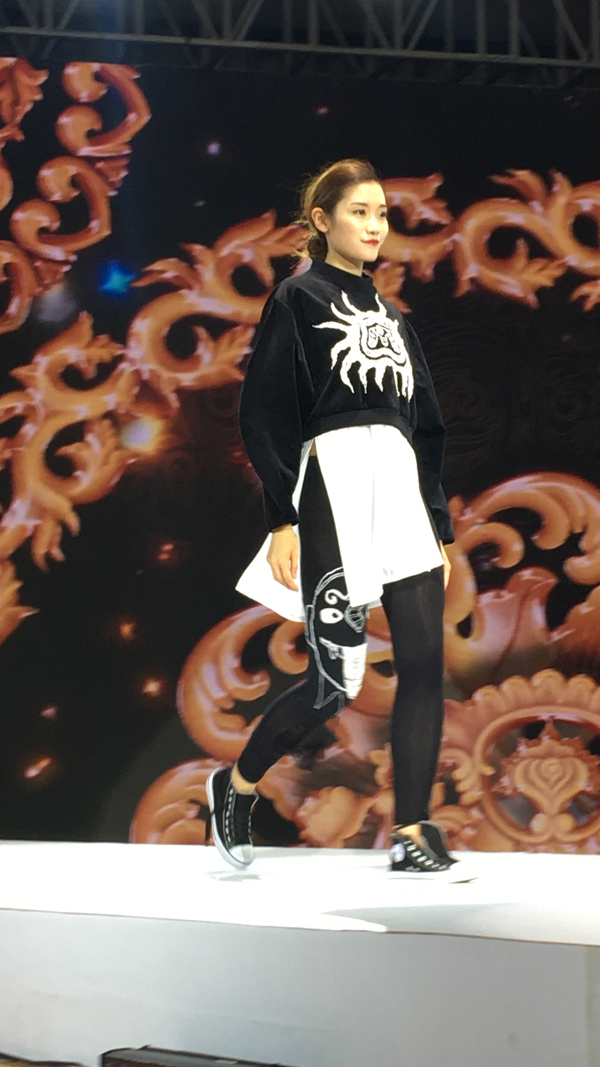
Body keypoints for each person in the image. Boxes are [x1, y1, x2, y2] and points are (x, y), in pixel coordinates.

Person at [207, 158, 456, 874]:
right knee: (334, 682)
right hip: (332, 487)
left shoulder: (395, 319)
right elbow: (263, 412)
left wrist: (437, 526)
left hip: (401, 492)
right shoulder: (297, 298)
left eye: (382, 214)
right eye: (360, 212)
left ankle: (412, 830)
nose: (376, 226)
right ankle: (238, 785)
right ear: (322, 220)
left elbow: (427, 428)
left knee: (423, 664)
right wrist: (281, 518)